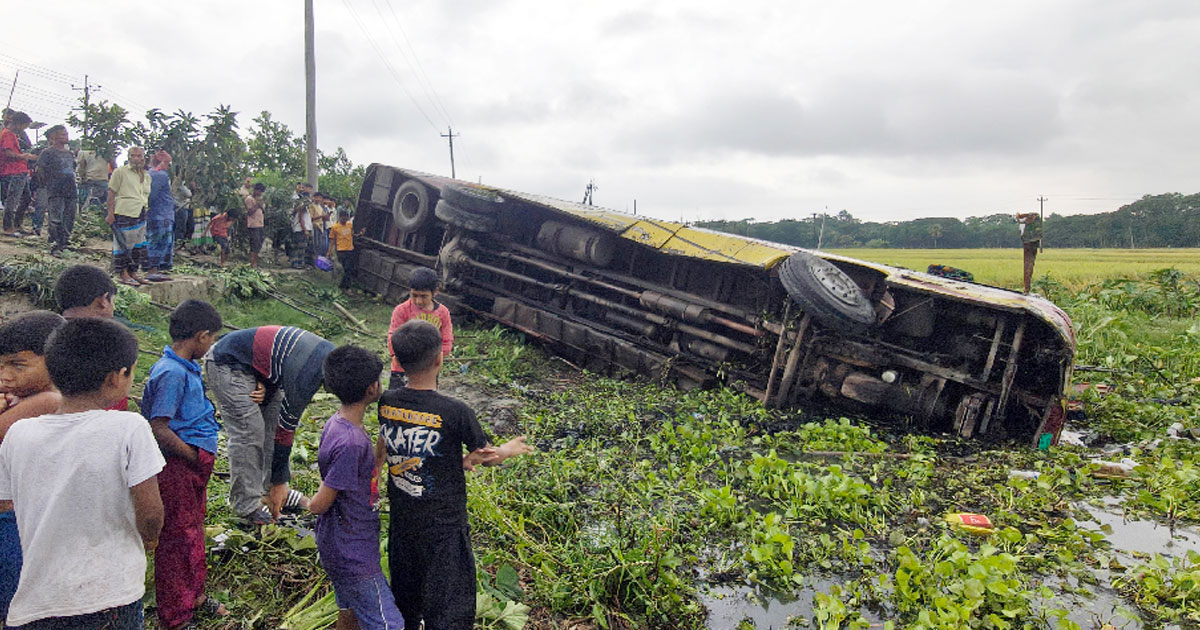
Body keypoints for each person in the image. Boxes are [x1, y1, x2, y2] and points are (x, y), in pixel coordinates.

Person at [0, 318, 165, 629]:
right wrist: (150, 538)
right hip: (108, 598)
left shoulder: (19, 433)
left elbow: (7, 506)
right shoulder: (129, 427)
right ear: (117, 378)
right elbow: (151, 512)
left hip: (36, 604)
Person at [381, 320, 533, 630]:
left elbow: (412, 452)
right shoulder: (455, 411)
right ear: (440, 358)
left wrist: (459, 461)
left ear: (397, 359)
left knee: (406, 590)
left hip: (402, 516)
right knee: (449, 599)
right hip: (444, 523)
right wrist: (508, 449)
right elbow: (488, 457)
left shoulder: (388, 401)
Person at [142, 300, 229, 630]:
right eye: (212, 339)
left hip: (194, 466)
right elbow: (158, 425)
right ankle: (175, 617)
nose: (211, 345)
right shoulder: (171, 373)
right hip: (179, 467)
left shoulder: (186, 368)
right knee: (177, 539)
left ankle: (196, 597)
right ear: (201, 336)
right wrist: (192, 456)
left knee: (193, 532)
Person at [310, 345, 405, 630]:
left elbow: (362, 477)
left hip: (337, 543)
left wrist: (379, 451)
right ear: (371, 388)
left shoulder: (337, 424)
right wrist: (292, 498)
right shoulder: (351, 443)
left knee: (349, 612)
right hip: (353, 552)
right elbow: (320, 504)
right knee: (390, 624)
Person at [205, 326, 332, 525]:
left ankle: (268, 493)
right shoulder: (307, 377)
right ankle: (247, 505)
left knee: (270, 427)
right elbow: (286, 430)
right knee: (249, 432)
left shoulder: (331, 358)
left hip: (262, 374)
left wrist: (263, 380)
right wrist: (280, 480)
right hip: (229, 363)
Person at [0, 311, 65, 623]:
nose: (5, 374)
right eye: (1, 364)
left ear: (56, 361)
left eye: (17, 365)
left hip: (14, 519)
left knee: (16, 605)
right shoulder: (21, 397)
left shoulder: (49, 400)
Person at [387, 267, 453, 389]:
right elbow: (392, 336)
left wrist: (434, 358)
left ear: (435, 292)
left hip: (429, 370)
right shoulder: (401, 310)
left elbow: (447, 342)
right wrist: (397, 356)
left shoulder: (443, 313)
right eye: (414, 295)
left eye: (424, 296)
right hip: (402, 368)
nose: (418, 301)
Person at [107, 147, 152, 286]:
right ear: (129, 157)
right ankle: (123, 273)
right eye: (133, 156)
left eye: (139, 156)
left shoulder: (147, 176)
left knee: (138, 245)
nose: (136, 159)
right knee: (122, 244)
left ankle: (133, 272)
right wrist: (110, 213)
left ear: (144, 158)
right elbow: (111, 192)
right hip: (124, 211)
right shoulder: (120, 172)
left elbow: (145, 195)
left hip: (141, 211)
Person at [33, 125, 77, 256]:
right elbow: (39, 170)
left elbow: (73, 169)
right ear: (54, 137)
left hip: (71, 189)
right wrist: (47, 184)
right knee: (55, 218)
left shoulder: (69, 153)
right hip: (55, 189)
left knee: (69, 217)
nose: (66, 137)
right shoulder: (48, 152)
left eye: (66, 134)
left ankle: (64, 242)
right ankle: (54, 244)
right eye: (62, 134)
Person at [0, 112, 37, 238]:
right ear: (18, 124)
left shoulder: (12, 135)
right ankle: (8, 227)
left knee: (26, 198)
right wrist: (25, 156)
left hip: (20, 170)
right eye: (24, 126)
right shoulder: (8, 135)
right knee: (12, 200)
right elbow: (8, 153)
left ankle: (17, 224)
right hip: (13, 171)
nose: (23, 129)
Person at [145, 150, 175, 280]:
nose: (169, 165)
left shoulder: (156, 174)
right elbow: (152, 195)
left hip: (162, 213)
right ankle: (152, 270)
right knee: (159, 240)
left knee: (164, 240)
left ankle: (158, 268)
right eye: (168, 163)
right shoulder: (158, 175)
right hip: (160, 213)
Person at [327, 209, 359, 291]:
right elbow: (332, 240)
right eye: (343, 218)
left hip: (350, 249)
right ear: (340, 217)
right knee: (345, 268)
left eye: (345, 218)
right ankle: (345, 286)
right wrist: (329, 251)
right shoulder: (335, 227)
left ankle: (344, 286)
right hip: (341, 250)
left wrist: (360, 234)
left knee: (348, 268)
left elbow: (352, 235)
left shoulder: (349, 225)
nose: (344, 219)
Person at [1016, 212, 1043, 294]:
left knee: (1028, 264)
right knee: (1029, 264)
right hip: (1029, 242)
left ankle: (1027, 288)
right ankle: (1026, 288)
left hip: (1029, 244)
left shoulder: (1033, 221)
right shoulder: (1030, 223)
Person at [244, 183, 267, 268]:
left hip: (260, 224)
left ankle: (255, 262)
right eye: (260, 191)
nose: (260, 193)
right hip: (253, 225)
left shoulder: (260, 200)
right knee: (254, 244)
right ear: (255, 190)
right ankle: (253, 263)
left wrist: (261, 206)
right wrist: (257, 205)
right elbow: (249, 212)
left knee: (259, 243)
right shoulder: (249, 199)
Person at [289, 194, 313, 269]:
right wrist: (305, 229)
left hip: (303, 229)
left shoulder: (305, 209)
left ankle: (299, 263)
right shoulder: (301, 208)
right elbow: (301, 219)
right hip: (301, 230)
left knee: (302, 247)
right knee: (300, 247)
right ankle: (297, 263)